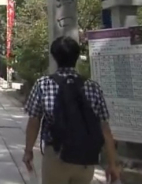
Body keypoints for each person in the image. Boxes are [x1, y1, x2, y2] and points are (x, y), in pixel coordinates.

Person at [22, 36, 121, 184]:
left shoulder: (43, 84)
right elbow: (105, 129)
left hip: (56, 155)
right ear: (76, 57)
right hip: (86, 158)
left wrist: (28, 151)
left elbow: (34, 121)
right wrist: (112, 164)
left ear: (54, 57)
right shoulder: (92, 87)